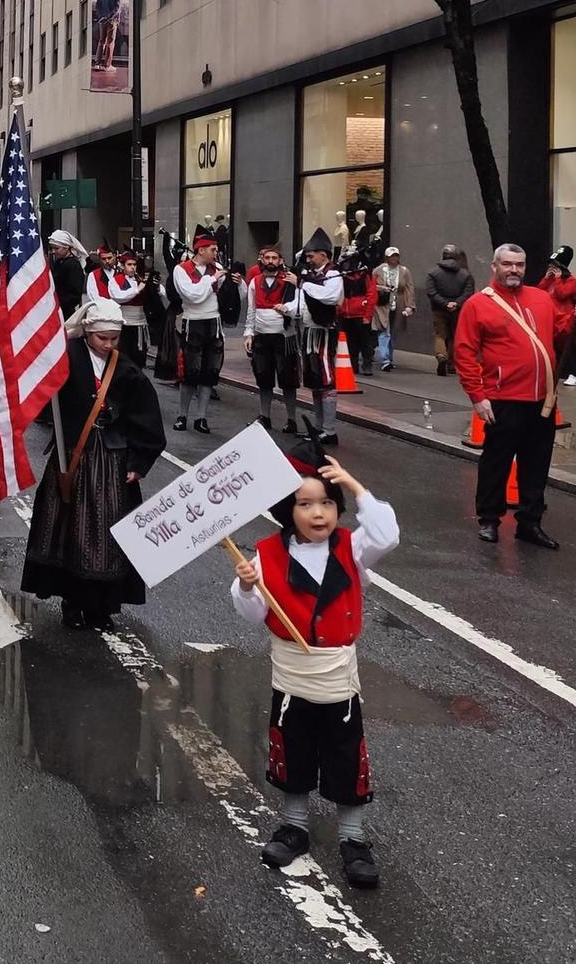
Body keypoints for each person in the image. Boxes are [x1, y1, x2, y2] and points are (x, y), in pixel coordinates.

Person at [231, 442, 400, 890]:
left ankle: (353, 837)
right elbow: (250, 614)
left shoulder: (353, 546)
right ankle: (294, 826)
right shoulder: (266, 555)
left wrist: (357, 488)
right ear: (288, 511)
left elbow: (387, 535)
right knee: (293, 749)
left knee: (346, 754)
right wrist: (249, 588)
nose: (319, 513)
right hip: (291, 677)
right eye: (305, 504)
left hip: (338, 678)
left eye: (327, 502)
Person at [21, 296, 167, 629]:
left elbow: (146, 414)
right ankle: (72, 603)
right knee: (68, 531)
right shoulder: (66, 358)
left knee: (108, 535)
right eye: (102, 338)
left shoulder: (125, 367)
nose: (109, 344)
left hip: (112, 459)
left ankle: (102, 606)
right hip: (74, 455)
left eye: (115, 338)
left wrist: (139, 461)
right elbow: (42, 396)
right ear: (87, 332)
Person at [454, 243, 576, 550]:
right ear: (494, 266)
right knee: (496, 462)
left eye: (519, 264)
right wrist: (478, 396)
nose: (514, 270)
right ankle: (489, 519)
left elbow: (560, 334)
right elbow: (463, 353)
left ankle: (530, 522)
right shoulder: (477, 304)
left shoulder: (542, 298)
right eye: (507, 264)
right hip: (502, 397)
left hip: (542, 399)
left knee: (537, 463)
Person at [170, 235, 230, 435]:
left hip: (213, 321)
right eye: (213, 249)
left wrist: (235, 285)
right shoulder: (181, 270)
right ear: (201, 250)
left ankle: (201, 418)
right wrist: (212, 279)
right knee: (190, 372)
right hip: (193, 322)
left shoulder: (217, 268)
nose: (216, 253)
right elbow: (193, 296)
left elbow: (227, 297)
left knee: (209, 373)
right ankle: (182, 415)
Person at [243, 244, 302, 433]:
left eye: (274, 258)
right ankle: (265, 416)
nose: (270, 261)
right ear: (262, 260)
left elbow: (299, 308)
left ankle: (291, 419)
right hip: (262, 336)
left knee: (288, 380)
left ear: (280, 261)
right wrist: (249, 333)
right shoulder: (255, 281)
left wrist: (288, 308)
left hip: (284, 337)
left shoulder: (289, 281)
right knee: (263, 378)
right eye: (267, 258)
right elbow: (251, 310)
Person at [293, 230, 345, 445]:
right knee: (315, 381)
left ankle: (329, 430)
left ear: (323, 255)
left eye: (311, 255)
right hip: (310, 331)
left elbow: (330, 297)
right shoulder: (310, 276)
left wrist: (304, 284)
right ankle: (319, 428)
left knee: (326, 380)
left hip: (324, 332)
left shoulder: (333, 274)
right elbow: (302, 304)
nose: (308, 259)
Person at [425, 244, 474, 377]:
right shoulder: (465, 274)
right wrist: (456, 303)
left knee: (440, 334)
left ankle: (441, 355)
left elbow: (431, 292)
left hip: (439, 308)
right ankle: (452, 364)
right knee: (454, 335)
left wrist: (444, 303)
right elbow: (468, 292)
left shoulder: (433, 273)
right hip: (458, 310)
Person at [539, 246, 576, 387]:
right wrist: (546, 279)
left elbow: (562, 294)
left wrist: (558, 279)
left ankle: (573, 374)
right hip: (550, 318)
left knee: (566, 347)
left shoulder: (571, 280)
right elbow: (538, 292)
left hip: (564, 320)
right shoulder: (549, 280)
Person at [370, 246, 415, 372]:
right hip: (383, 304)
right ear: (387, 258)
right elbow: (371, 286)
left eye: (396, 256)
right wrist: (383, 289)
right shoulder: (378, 270)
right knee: (384, 330)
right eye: (391, 256)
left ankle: (389, 357)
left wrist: (409, 305)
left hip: (398, 304)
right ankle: (384, 359)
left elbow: (409, 288)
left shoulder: (405, 271)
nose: (394, 258)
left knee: (393, 332)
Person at [47, 229, 88, 316]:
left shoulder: (73, 265)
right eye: (52, 248)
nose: (53, 251)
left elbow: (74, 294)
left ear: (66, 247)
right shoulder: (59, 262)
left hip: (64, 311)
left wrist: (58, 303)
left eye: (56, 248)